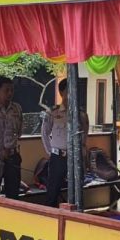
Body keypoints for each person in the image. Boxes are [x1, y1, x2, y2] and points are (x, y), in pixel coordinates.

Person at [41, 78, 89, 207]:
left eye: (75, 90)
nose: (73, 93)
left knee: (77, 192)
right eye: (69, 90)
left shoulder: (81, 114)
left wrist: (83, 154)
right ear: (62, 93)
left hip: (75, 158)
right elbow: (45, 133)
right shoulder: (52, 112)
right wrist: (51, 152)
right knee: (53, 191)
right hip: (58, 157)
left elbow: (84, 135)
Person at [0, 76, 23, 199]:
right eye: (6, 90)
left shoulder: (17, 108)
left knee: (13, 193)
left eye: (12, 90)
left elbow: (19, 131)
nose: (10, 93)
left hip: (12, 156)